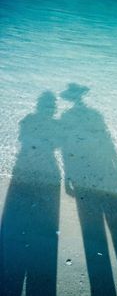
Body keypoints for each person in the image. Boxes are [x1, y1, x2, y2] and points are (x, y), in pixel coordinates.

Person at [60, 83, 117, 295]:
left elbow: (67, 149)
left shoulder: (66, 118)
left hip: (83, 174)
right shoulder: (95, 114)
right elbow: (108, 144)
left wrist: (68, 178)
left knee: (92, 232)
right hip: (104, 173)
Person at [0, 92, 60, 296]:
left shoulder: (27, 119)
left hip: (24, 168)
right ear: (50, 107)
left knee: (15, 227)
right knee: (42, 228)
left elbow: (22, 138)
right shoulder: (52, 124)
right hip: (45, 172)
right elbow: (56, 144)